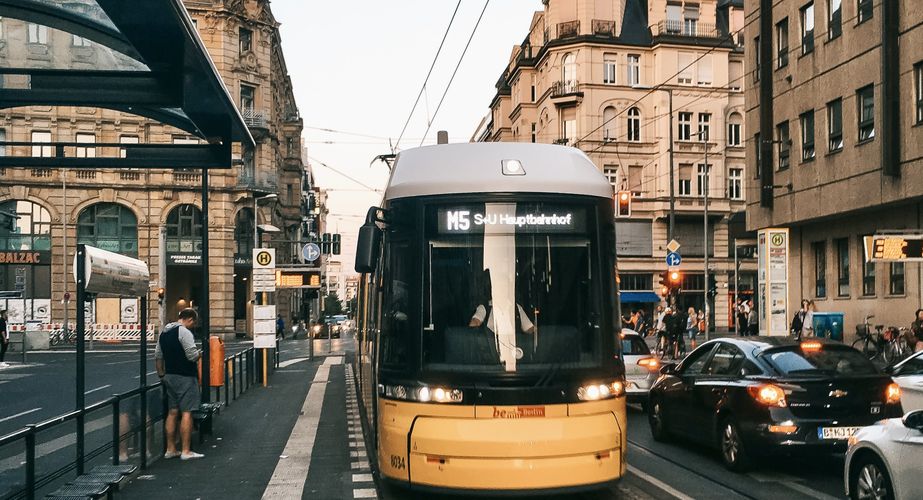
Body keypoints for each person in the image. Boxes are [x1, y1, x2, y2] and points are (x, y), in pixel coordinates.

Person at [155, 308, 204, 460]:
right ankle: (186, 451)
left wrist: (162, 374)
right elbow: (192, 356)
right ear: (189, 319)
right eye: (193, 322)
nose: (193, 325)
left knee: (172, 412)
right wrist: (200, 353)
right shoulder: (184, 332)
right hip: (185, 376)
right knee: (187, 412)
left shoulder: (164, 333)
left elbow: (158, 355)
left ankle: (170, 449)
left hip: (169, 376)